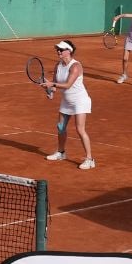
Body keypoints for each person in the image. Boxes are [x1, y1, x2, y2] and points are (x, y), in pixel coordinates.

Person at [42, 40, 95, 170]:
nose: (58, 51)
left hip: (80, 101)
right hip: (67, 100)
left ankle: (90, 159)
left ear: (69, 51)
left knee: (80, 129)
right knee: (60, 127)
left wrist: (52, 85)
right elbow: (55, 86)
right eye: (57, 49)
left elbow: (67, 85)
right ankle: (61, 152)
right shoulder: (58, 66)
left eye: (61, 49)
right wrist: (50, 91)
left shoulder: (75, 66)